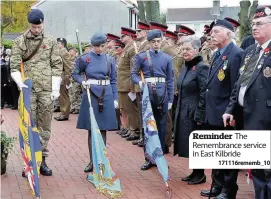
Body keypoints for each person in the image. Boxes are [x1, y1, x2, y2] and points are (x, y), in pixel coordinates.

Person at [223, 6, 271, 199]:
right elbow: (240, 84)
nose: (254, 27)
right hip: (248, 118)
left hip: (266, 119)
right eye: (253, 24)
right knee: (258, 169)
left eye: (259, 24)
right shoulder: (250, 51)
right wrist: (230, 109)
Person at [10, 9, 63, 176]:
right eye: (34, 27)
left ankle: (42, 161)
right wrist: (20, 83)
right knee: (28, 125)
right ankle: (29, 162)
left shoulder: (51, 41)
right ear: (30, 25)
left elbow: (56, 64)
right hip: (29, 91)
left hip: (46, 90)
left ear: (43, 24)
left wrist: (55, 87)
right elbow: (14, 65)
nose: (37, 30)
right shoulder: (20, 41)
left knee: (45, 126)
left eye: (39, 27)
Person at [200, 19, 243, 199]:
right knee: (217, 152)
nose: (212, 35)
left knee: (228, 154)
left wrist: (232, 112)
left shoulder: (236, 54)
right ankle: (217, 185)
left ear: (228, 33)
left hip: (226, 112)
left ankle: (228, 189)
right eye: (211, 32)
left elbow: (236, 86)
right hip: (213, 111)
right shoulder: (218, 53)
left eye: (216, 31)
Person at [72, 32, 118, 173]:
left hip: (106, 94)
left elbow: (114, 80)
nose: (99, 48)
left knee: (103, 128)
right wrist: (82, 81)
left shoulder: (110, 59)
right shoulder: (84, 59)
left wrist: (115, 98)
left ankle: (102, 160)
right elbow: (75, 73)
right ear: (92, 46)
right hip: (90, 93)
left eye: (102, 46)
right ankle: (92, 161)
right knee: (92, 129)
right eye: (96, 46)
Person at [131, 29, 174, 170]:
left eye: (158, 41)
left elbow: (170, 80)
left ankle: (160, 156)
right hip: (147, 93)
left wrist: (170, 100)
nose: (156, 44)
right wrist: (140, 82)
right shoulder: (141, 57)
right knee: (148, 126)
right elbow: (133, 74)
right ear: (149, 42)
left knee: (162, 127)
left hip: (162, 95)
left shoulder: (167, 58)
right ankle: (148, 157)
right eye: (153, 42)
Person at [174, 36, 208, 185]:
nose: (184, 52)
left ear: (197, 50)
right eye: (183, 49)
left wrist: (200, 114)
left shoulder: (202, 67)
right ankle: (194, 172)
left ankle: (200, 174)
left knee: (197, 143)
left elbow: (204, 92)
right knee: (189, 143)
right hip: (184, 110)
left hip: (194, 111)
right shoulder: (185, 67)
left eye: (188, 49)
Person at [118, 27, 140, 141]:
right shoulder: (127, 48)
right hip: (123, 84)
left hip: (128, 84)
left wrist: (132, 87)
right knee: (126, 108)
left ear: (130, 36)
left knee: (131, 109)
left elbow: (133, 69)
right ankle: (131, 129)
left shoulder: (132, 48)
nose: (121, 38)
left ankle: (135, 130)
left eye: (123, 36)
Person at [54, 38, 73, 121]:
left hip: (63, 77)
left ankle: (65, 114)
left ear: (62, 44)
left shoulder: (64, 52)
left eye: (58, 43)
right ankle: (62, 112)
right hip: (59, 76)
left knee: (64, 96)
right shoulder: (59, 52)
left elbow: (68, 66)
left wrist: (67, 78)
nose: (56, 45)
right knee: (61, 96)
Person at [68, 47, 81, 114]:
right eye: (69, 51)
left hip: (76, 79)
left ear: (75, 52)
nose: (69, 52)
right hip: (70, 79)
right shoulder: (68, 59)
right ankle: (73, 107)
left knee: (76, 93)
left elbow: (79, 69)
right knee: (71, 93)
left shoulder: (78, 59)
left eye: (71, 51)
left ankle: (77, 107)